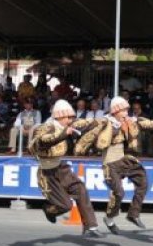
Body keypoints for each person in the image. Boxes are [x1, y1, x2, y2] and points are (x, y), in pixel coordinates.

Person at [29, 100, 103, 238]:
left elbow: (85, 123)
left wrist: (103, 121)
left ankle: (90, 227)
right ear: (58, 116)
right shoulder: (45, 127)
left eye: (71, 117)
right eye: (67, 117)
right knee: (65, 205)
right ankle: (49, 210)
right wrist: (64, 134)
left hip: (61, 167)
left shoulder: (67, 125)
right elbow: (43, 141)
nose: (70, 120)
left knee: (80, 189)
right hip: (47, 172)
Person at [91, 97, 153, 233]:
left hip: (123, 159)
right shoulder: (105, 122)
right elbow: (100, 143)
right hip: (110, 163)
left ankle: (133, 214)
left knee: (143, 181)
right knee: (119, 192)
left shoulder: (128, 121)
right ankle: (109, 219)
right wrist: (119, 130)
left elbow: (146, 125)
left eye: (126, 109)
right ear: (116, 111)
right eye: (123, 110)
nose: (126, 112)